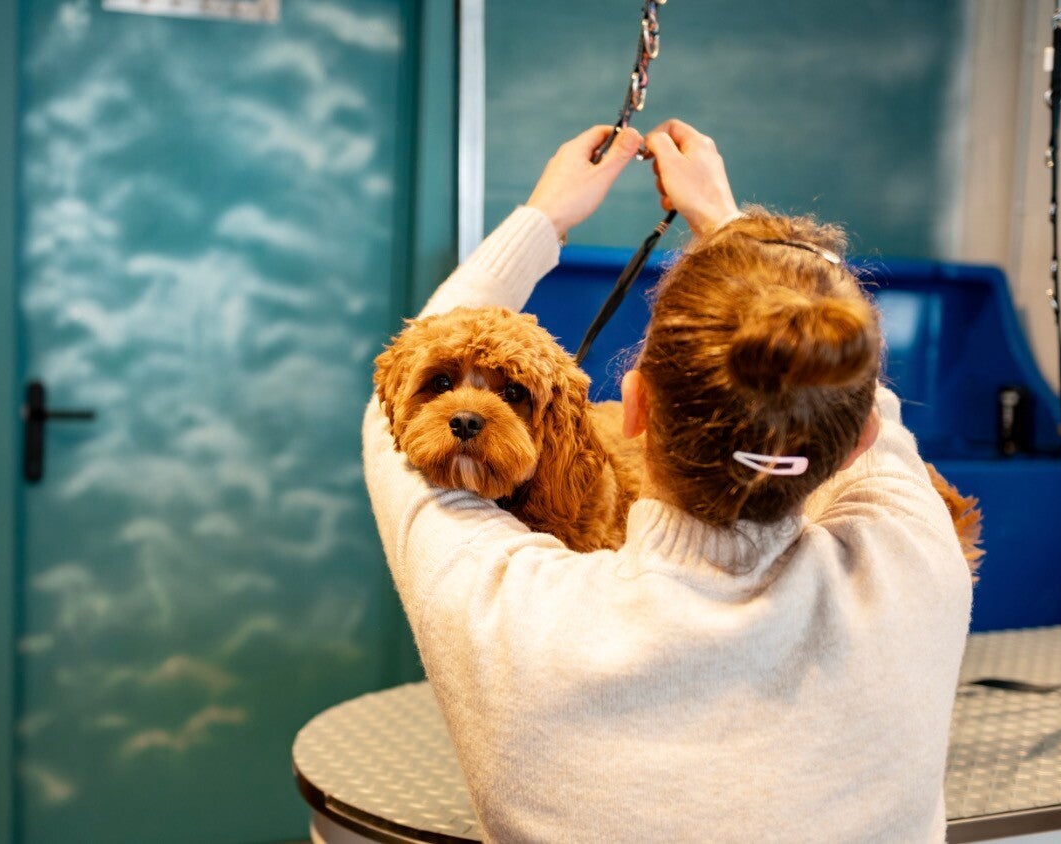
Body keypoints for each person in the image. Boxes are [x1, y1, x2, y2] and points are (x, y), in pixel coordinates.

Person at [362, 120, 973, 843]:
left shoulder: (508, 609)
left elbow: (392, 404)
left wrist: (544, 217)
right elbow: (858, 398)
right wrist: (725, 223)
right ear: (859, 443)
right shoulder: (916, 569)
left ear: (634, 408)